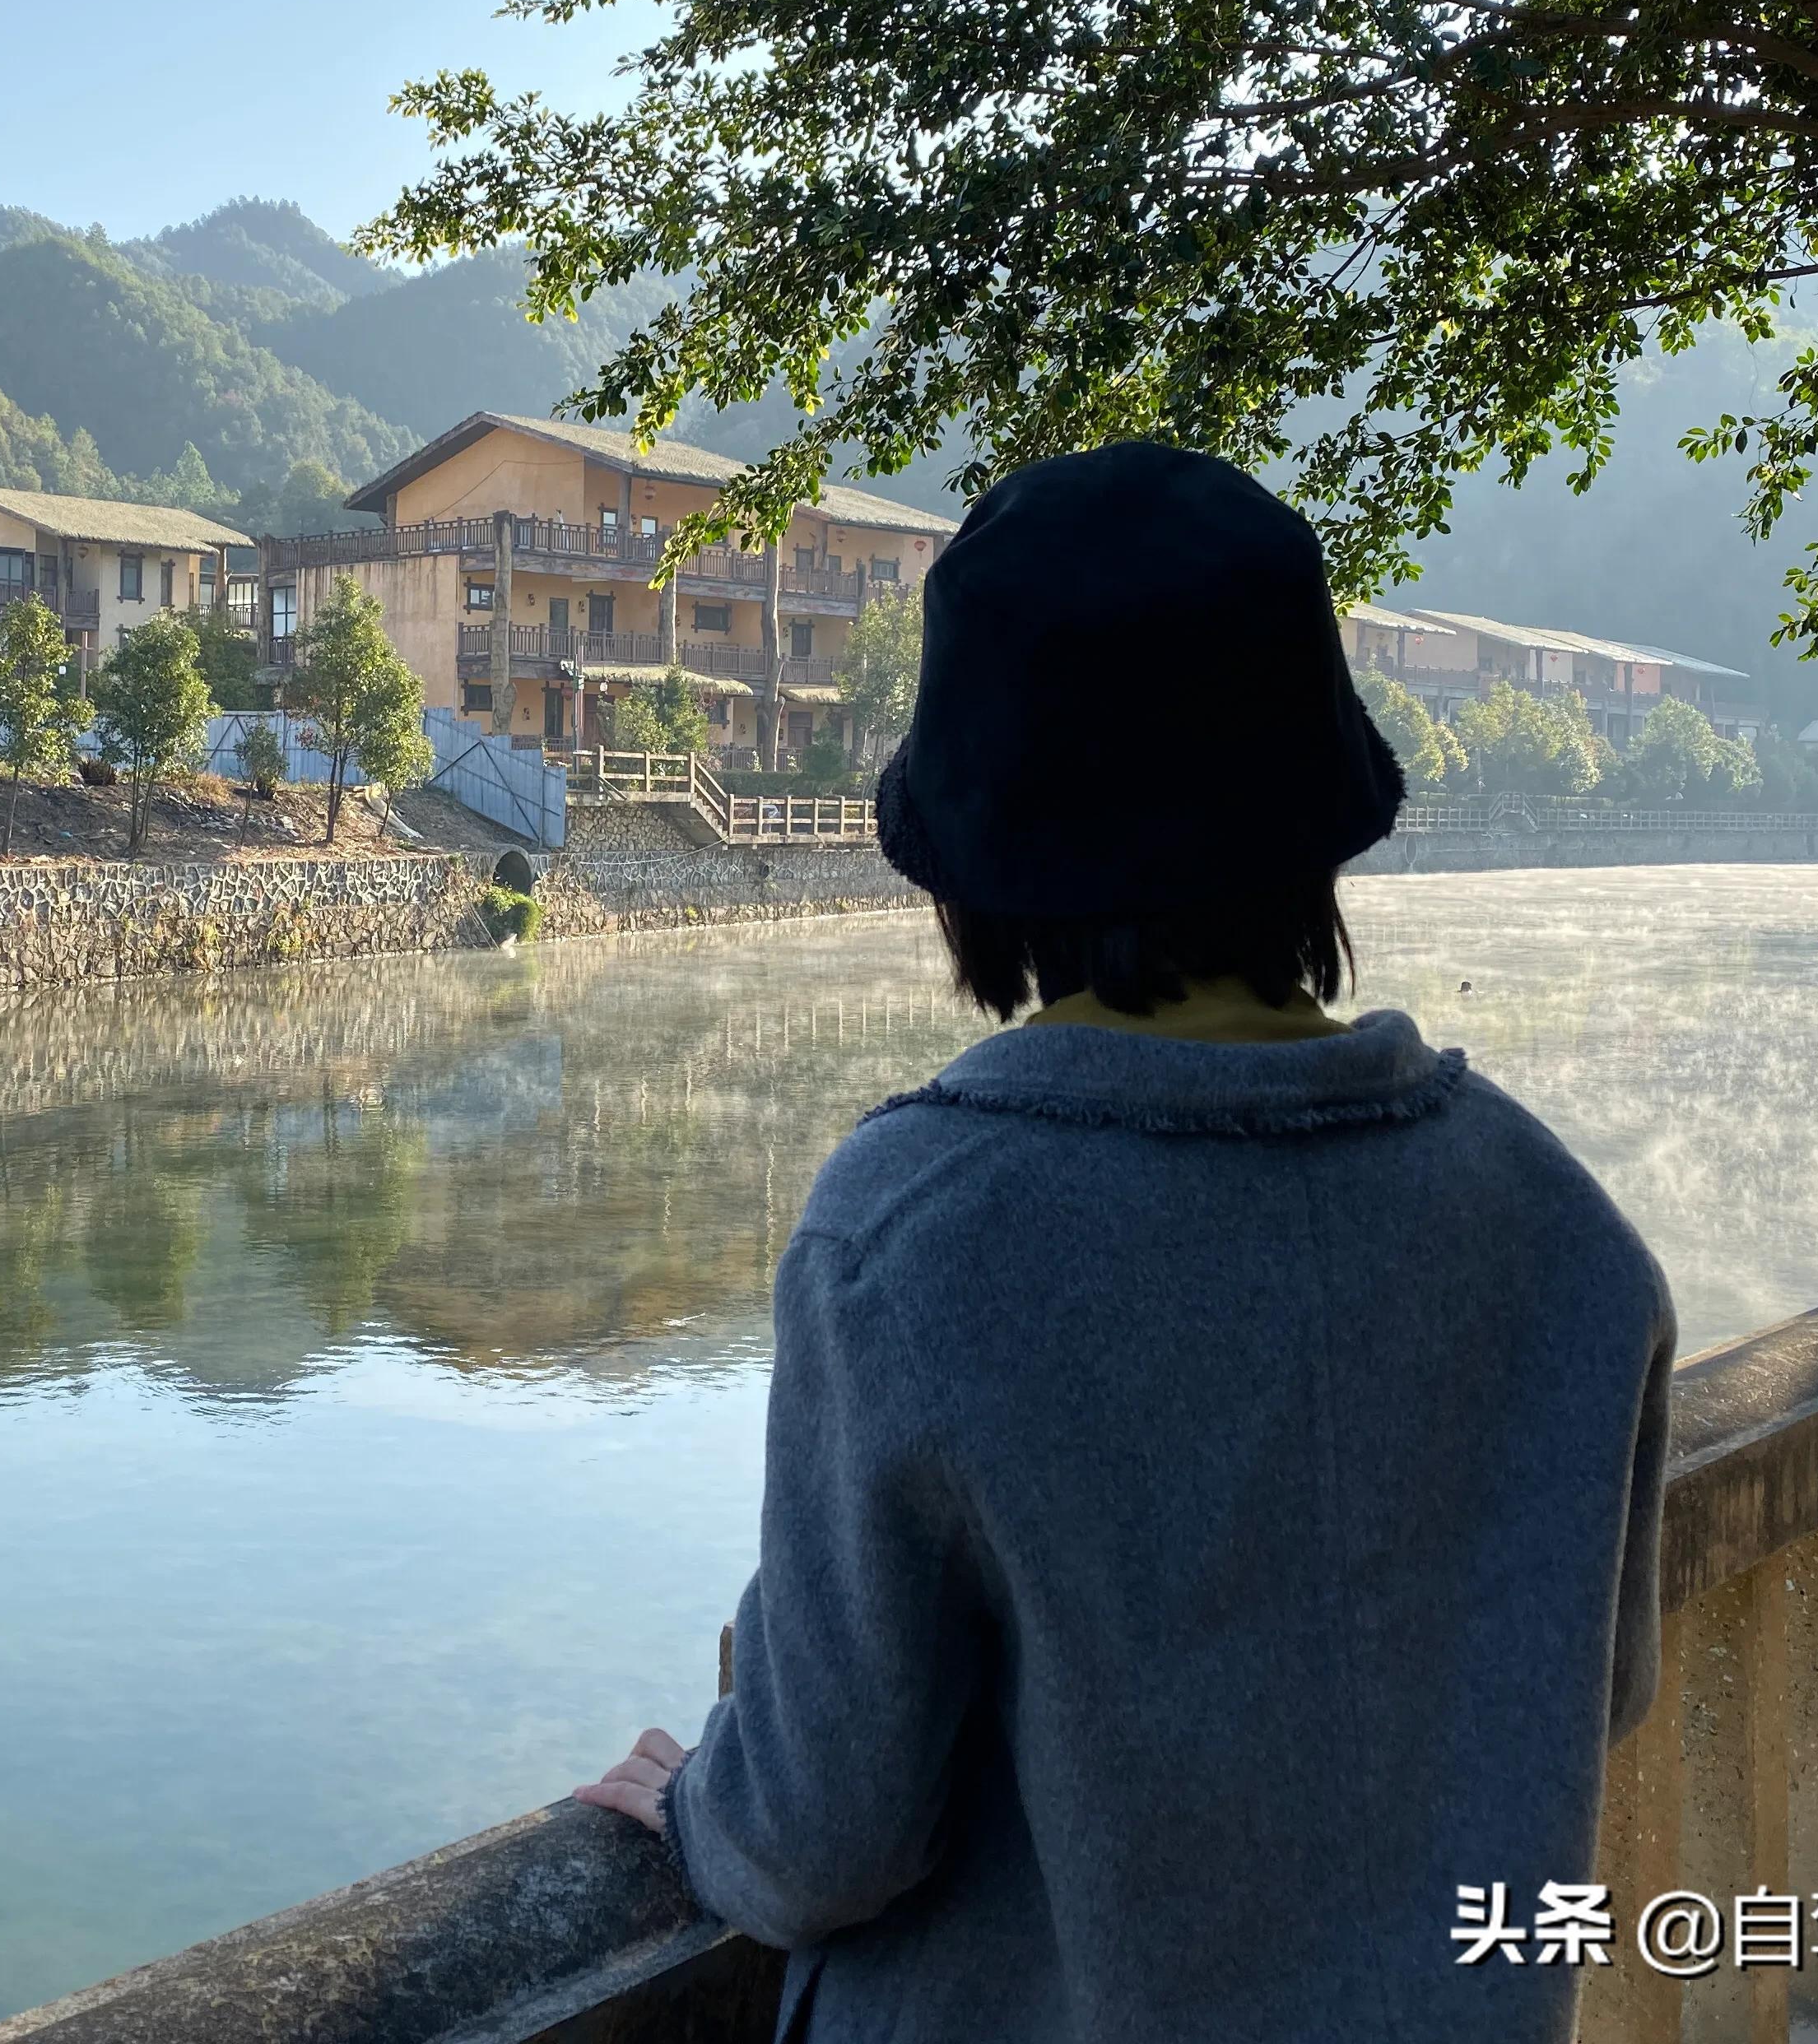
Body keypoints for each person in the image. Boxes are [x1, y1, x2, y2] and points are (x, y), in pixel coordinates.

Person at [574, 444, 1675, 2042]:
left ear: (974, 872)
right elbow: (1593, 1690)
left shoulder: (911, 1238)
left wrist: (700, 1807)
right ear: (1322, 823)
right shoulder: (1560, 1228)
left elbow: (826, 1831)